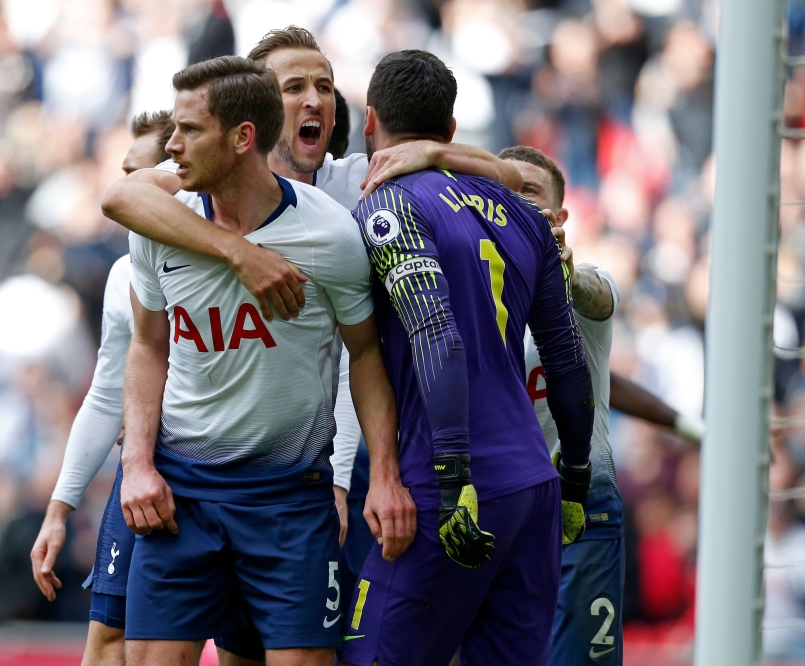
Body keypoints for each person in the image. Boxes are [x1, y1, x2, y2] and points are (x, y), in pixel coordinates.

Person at [100, 55, 415, 666]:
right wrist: (137, 463)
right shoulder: (159, 225)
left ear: (243, 137)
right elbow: (147, 345)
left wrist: (383, 473)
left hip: (288, 501)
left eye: (189, 131)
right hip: (182, 494)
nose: (172, 146)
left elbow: (366, 353)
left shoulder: (327, 235)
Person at [339, 50, 594, 666]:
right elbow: (565, 357)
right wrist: (576, 481)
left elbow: (436, 334)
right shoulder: (525, 215)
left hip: (449, 486)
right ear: (450, 131)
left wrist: (454, 478)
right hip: (535, 486)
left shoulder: (388, 207)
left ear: (370, 122)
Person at [497, 145, 705, 666]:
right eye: (506, 191)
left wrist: (561, 270)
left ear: (561, 216)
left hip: (582, 506)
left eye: (531, 193)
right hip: (501, 503)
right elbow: (599, 382)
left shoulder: (587, 286)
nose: (518, 204)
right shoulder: (474, 297)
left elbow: (595, 300)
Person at [29, 110, 175, 666]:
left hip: (224, 469)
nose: (121, 191)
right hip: (141, 472)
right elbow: (106, 394)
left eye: (138, 173)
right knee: (108, 640)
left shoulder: (228, 258)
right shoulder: (122, 276)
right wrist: (60, 508)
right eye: (123, 172)